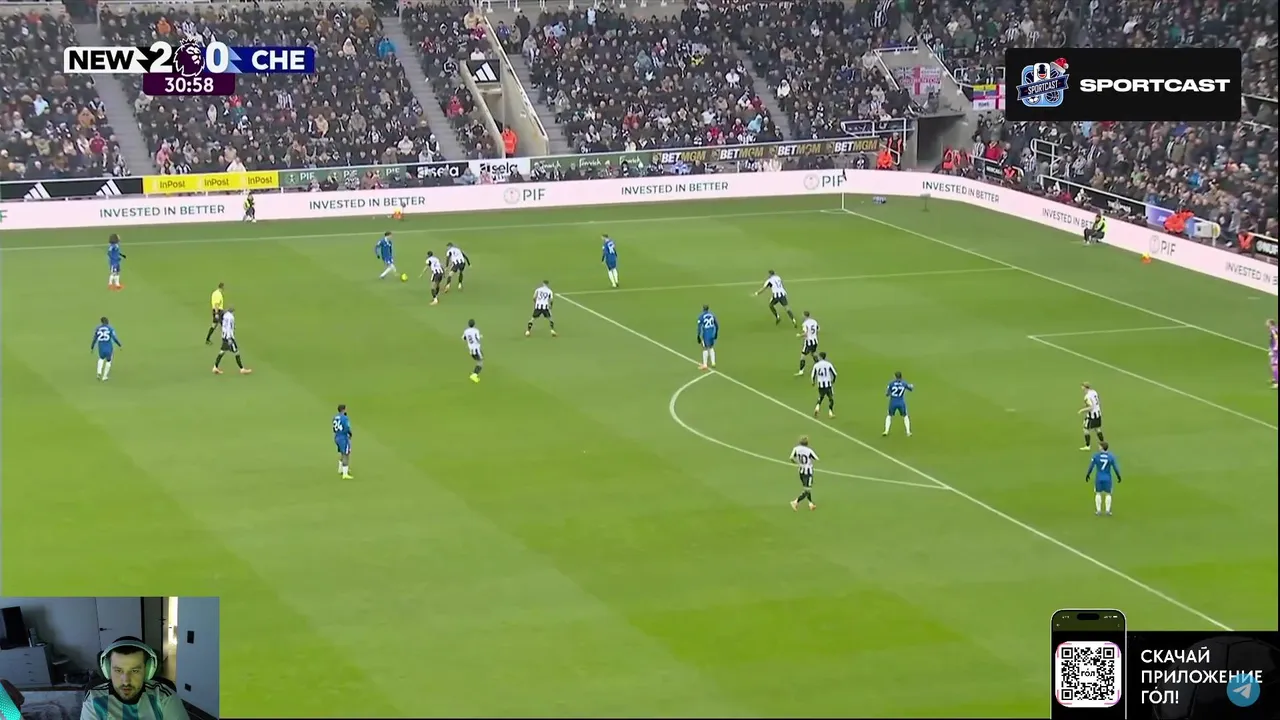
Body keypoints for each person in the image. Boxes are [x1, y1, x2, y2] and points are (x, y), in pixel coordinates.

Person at [82, 637, 190, 720]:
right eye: (118, 670)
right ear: (107, 669)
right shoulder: (93, 699)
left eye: (135, 671)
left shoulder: (164, 697)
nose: (126, 681)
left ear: (148, 670)